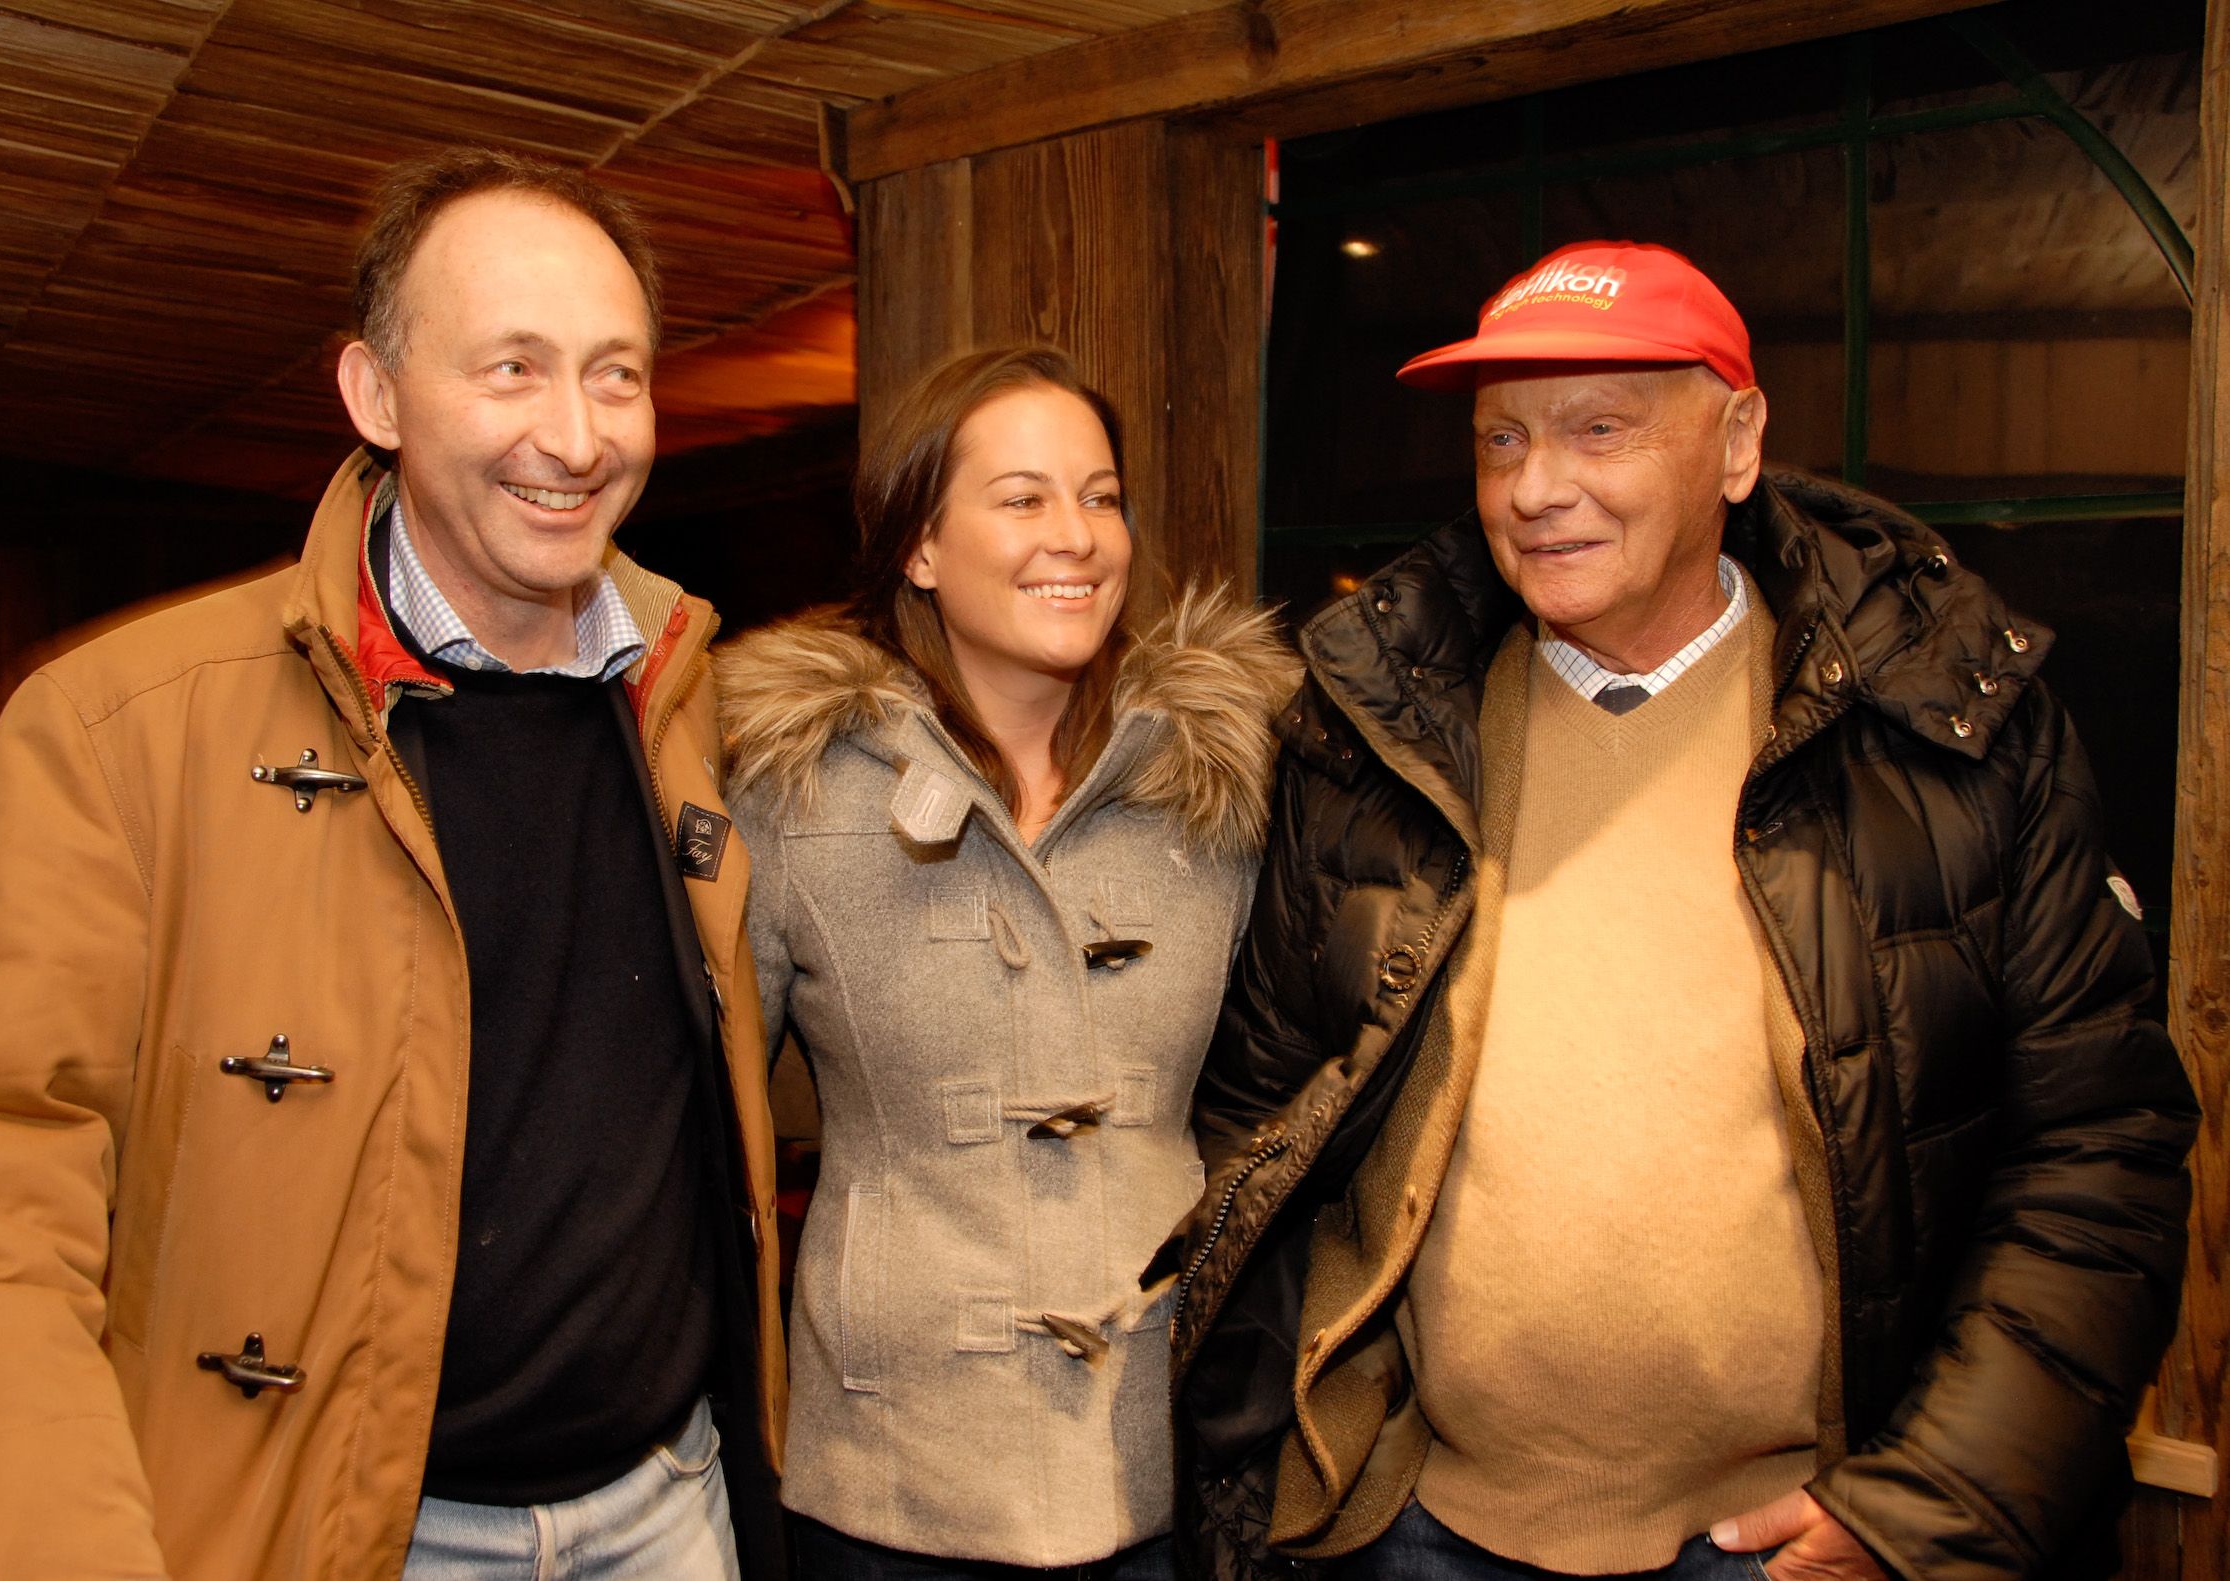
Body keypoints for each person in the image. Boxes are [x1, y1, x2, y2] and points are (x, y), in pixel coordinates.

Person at [1163, 242, 2198, 1581]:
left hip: (1789, 1541)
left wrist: (1930, 1503)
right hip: (1415, 1524)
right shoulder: (1375, 738)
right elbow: (1259, 1113)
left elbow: (2097, 1153)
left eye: (1599, 428)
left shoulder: (1944, 733)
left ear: (1735, 440)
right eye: (1501, 440)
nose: (1537, 488)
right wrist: (1287, 1451)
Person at [0, 148, 786, 1581]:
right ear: (373, 396)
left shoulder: (692, 699)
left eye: (616, 375)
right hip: (342, 1537)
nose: (577, 433)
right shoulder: (122, 727)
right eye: (511, 369)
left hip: (674, 1512)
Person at [715, 346, 1297, 1578]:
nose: (1075, 536)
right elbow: (708, 1131)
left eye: (1099, 496)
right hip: (884, 1475)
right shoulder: (793, 793)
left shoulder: (1229, 790)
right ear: (919, 547)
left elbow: (1284, 1109)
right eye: (1022, 498)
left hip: (1163, 1457)